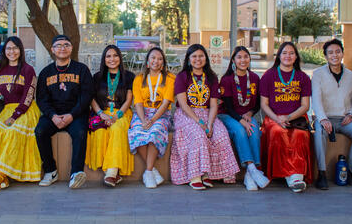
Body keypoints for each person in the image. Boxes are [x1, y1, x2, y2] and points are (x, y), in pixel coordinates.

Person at [170, 44, 239, 190]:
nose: (197, 59)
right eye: (194, 56)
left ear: (206, 59)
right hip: (187, 114)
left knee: (221, 135)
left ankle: (208, 174)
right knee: (198, 135)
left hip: (207, 113)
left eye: (201, 56)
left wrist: (210, 124)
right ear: (189, 59)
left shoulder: (212, 77)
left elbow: (214, 104)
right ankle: (195, 176)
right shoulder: (182, 77)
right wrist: (199, 122)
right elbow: (183, 104)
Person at [0, 36, 42, 190]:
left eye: (15, 48)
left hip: (25, 109)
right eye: (8, 48)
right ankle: (3, 177)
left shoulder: (28, 69)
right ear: (4, 50)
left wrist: (15, 116)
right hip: (5, 109)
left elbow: (29, 95)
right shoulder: (0, 69)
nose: (11, 51)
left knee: (13, 132)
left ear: (20, 50)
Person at [35, 34, 93, 189]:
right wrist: (52, 116)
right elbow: (41, 99)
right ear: (52, 49)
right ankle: (50, 170)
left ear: (71, 48)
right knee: (40, 131)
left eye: (66, 45)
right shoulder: (46, 73)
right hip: (53, 115)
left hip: (76, 114)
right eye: (58, 45)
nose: (62, 48)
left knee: (80, 133)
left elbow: (86, 96)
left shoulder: (82, 70)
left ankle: (76, 173)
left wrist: (72, 115)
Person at [311, 39, 352, 189]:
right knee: (319, 133)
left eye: (337, 51)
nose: (334, 55)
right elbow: (316, 99)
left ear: (342, 53)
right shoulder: (318, 74)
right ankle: (321, 173)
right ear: (326, 56)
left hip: (344, 119)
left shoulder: (351, 76)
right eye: (330, 53)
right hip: (325, 118)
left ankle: (351, 172)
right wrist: (322, 118)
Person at [259, 42, 313, 192]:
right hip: (273, 117)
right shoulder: (268, 75)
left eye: (291, 53)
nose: (287, 56)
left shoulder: (303, 77)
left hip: (297, 117)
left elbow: (305, 106)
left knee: (300, 135)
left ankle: (296, 176)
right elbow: (264, 104)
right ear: (279, 56)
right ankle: (289, 176)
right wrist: (278, 119)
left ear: (296, 57)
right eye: (284, 53)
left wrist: (288, 117)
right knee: (278, 132)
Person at [218, 46, 269, 191]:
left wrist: (250, 113)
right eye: (239, 57)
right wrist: (241, 121)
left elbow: (259, 102)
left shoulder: (254, 78)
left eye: (246, 56)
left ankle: (249, 175)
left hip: (247, 115)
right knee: (240, 131)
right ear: (233, 60)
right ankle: (253, 168)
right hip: (228, 115)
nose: (243, 60)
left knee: (253, 130)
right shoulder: (227, 79)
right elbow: (227, 107)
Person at [86, 45, 135, 187]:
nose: (112, 59)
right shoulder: (97, 77)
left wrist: (116, 116)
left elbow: (129, 100)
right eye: (108, 56)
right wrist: (101, 114)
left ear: (120, 57)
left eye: (115, 55)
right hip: (102, 112)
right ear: (104, 59)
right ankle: (113, 173)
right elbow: (92, 98)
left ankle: (112, 173)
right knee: (100, 132)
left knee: (118, 129)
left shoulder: (129, 76)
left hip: (122, 112)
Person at [128, 47, 175, 188]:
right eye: (153, 58)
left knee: (154, 132)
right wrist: (143, 120)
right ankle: (152, 170)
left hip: (161, 114)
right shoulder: (139, 78)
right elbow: (138, 102)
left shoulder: (171, 78)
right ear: (148, 61)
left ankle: (147, 171)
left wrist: (153, 120)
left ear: (163, 62)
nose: (156, 61)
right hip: (142, 114)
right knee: (137, 132)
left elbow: (166, 103)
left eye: (160, 59)